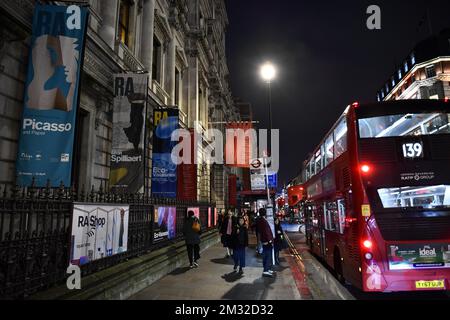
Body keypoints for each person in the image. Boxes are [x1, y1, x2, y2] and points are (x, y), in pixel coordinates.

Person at [256, 208, 275, 277]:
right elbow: (266, 231)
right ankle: (266, 270)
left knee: (266, 255)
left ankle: (267, 269)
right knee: (268, 255)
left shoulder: (260, 220)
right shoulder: (263, 221)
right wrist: (269, 240)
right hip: (267, 241)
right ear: (265, 213)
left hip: (264, 240)